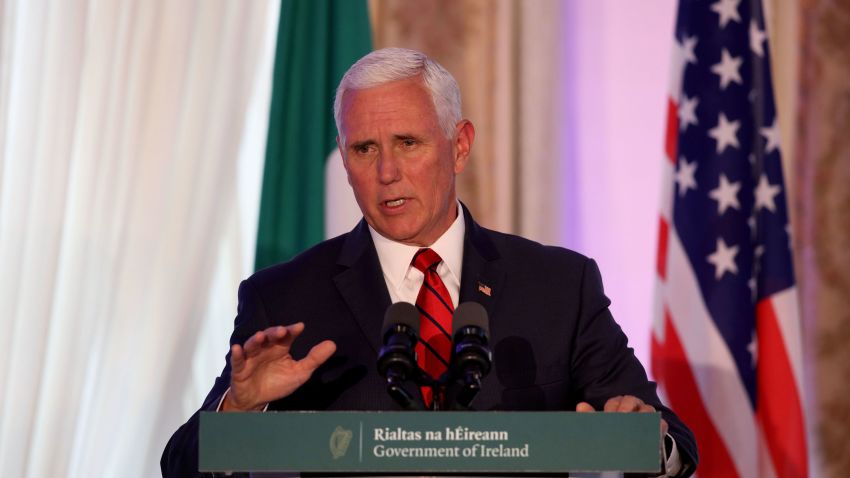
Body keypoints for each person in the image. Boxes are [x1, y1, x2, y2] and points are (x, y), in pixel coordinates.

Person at [161, 47, 698, 477]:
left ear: (459, 145)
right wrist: (239, 410)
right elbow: (179, 466)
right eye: (364, 149)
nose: (387, 171)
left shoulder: (559, 285)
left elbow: (672, 440)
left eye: (408, 142)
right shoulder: (284, 298)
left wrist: (644, 442)